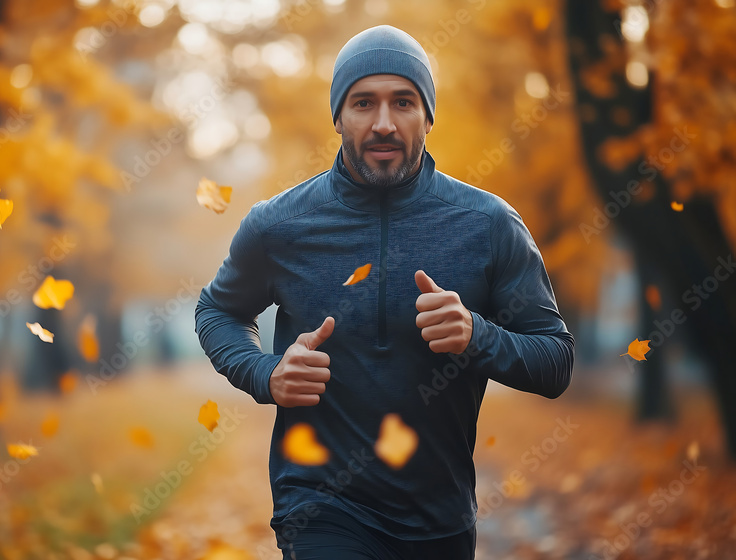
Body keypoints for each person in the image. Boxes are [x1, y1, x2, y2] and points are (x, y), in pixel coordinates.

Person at [194, 24, 574, 560]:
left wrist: (477, 335)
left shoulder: (487, 225)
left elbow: (555, 360)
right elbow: (218, 310)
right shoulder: (279, 225)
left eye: (403, 102)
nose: (383, 124)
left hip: (438, 518)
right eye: (363, 103)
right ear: (338, 117)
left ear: (428, 115)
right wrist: (265, 372)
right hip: (320, 507)